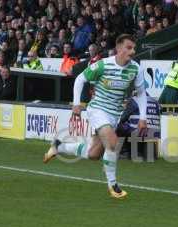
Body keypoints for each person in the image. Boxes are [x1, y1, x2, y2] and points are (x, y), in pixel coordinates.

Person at [43, 34, 148, 199]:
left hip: (115, 115)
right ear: (119, 48)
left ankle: (59, 147)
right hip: (98, 110)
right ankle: (113, 186)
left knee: (93, 154)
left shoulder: (136, 69)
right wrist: (76, 104)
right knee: (113, 143)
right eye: (129, 47)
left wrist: (143, 117)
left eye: (134, 48)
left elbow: (141, 94)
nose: (133, 51)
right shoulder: (103, 65)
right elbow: (80, 79)